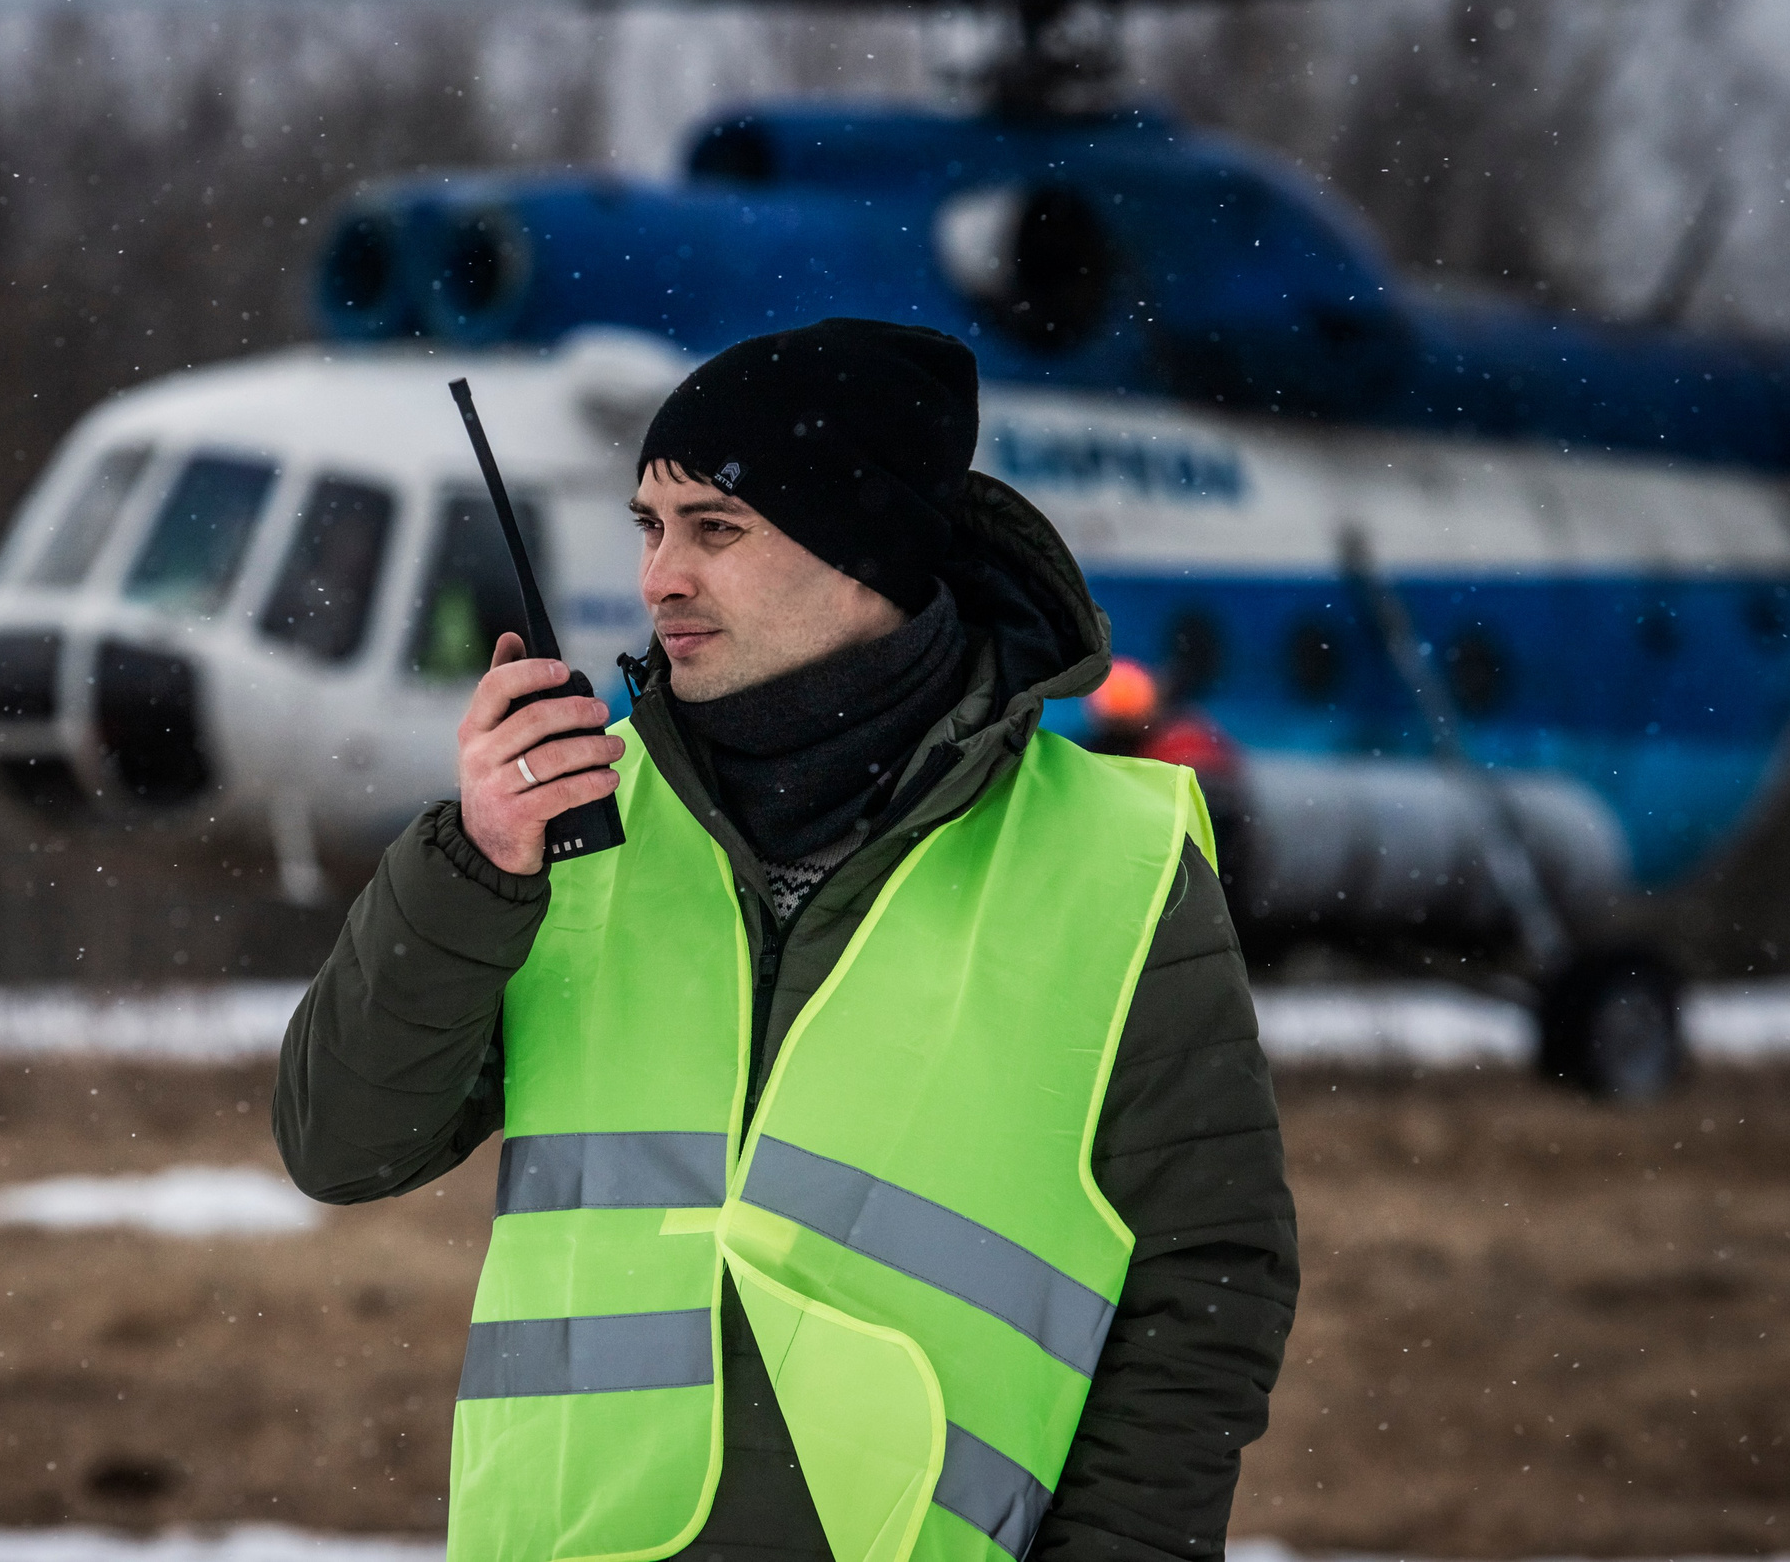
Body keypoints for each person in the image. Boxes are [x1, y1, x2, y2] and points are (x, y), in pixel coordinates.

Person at [274, 318, 1297, 1562]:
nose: (659, 578)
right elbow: (338, 1146)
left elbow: (1209, 1288)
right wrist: (470, 870)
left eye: (716, 528)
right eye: (649, 527)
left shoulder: (1116, 862)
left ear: (870, 557)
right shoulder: (558, 825)